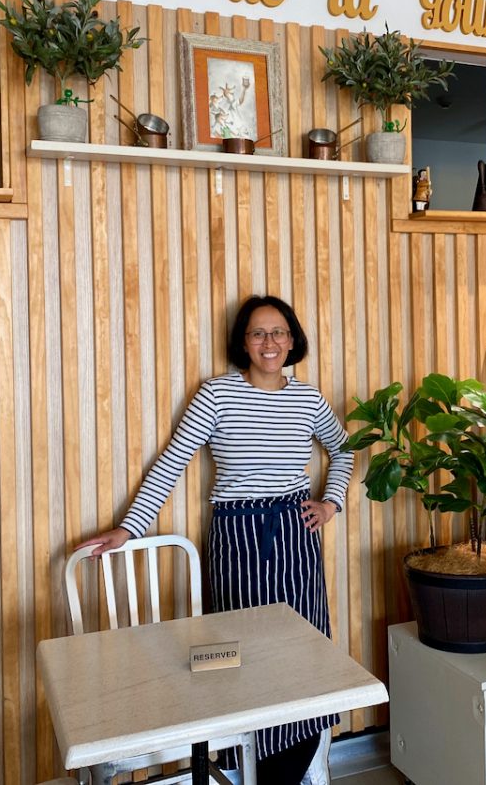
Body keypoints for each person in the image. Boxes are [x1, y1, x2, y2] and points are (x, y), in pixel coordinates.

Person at [77, 295, 353, 784]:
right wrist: (129, 528)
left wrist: (330, 503)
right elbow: (170, 464)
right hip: (237, 536)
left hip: (295, 535)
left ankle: (291, 767)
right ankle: (252, 768)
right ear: (242, 342)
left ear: (293, 341)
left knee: (302, 658)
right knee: (243, 660)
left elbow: (344, 450)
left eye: (279, 333)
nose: (270, 343)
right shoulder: (216, 395)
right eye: (258, 333)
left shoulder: (308, 399)